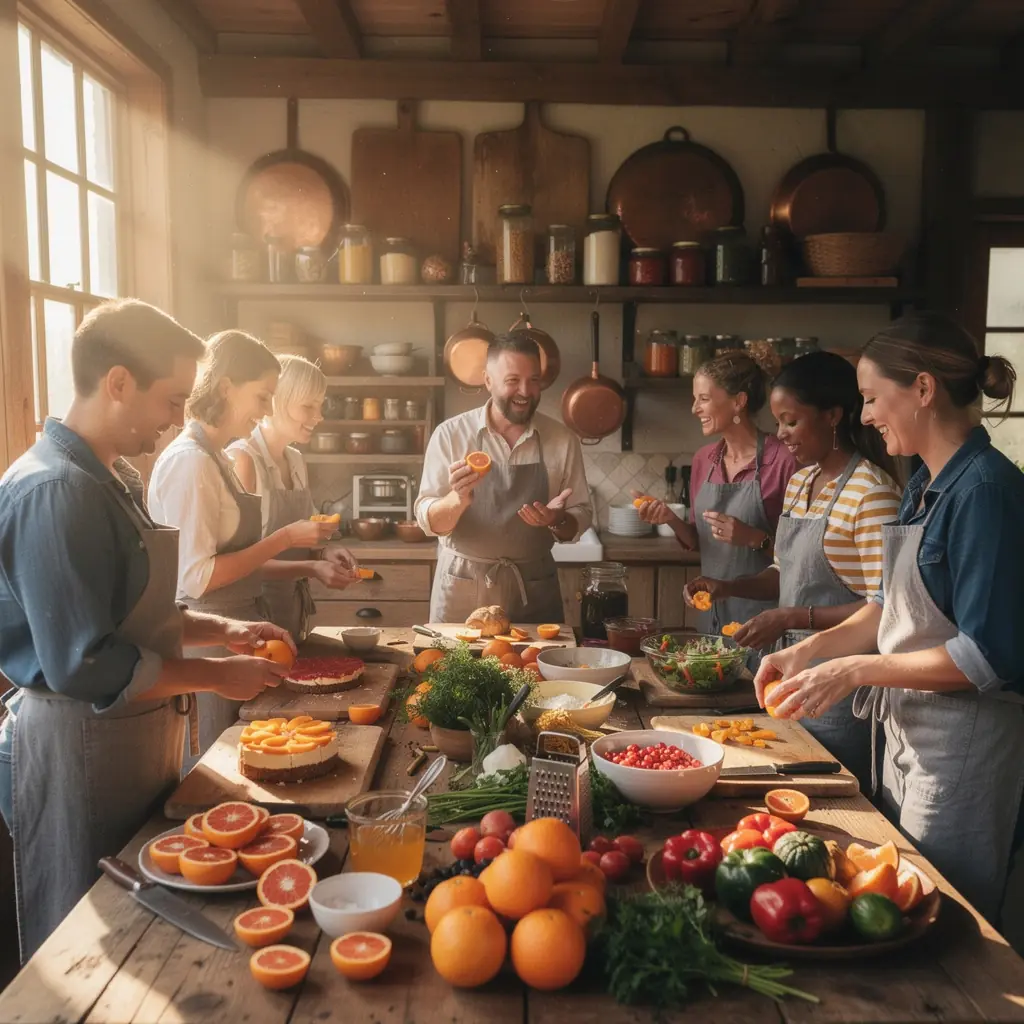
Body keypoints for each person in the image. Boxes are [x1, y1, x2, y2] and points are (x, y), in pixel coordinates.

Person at [0, 300, 292, 960]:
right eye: (171, 399)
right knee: (86, 940)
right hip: (78, 745)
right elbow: (88, 662)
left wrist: (225, 631)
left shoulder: (113, 476)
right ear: (119, 383)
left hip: (127, 739)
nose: (175, 418)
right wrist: (220, 675)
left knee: (145, 927)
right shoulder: (56, 489)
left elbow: (136, 613)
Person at [754, 313, 1024, 924]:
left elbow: (987, 656)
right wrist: (810, 650)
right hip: (909, 738)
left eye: (872, 398)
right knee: (899, 912)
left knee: (950, 931)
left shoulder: (985, 492)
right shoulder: (926, 483)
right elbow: (886, 608)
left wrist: (853, 671)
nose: (867, 415)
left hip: (964, 750)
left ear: (923, 390)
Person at [691, 351, 902, 790]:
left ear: (832, 416)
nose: (781, 435)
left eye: (791, 422)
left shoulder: (873, 494)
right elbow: (782, 571)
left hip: (840, 690)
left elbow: (885, 609)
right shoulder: (802, 481)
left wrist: (791, 617)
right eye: (778, 422)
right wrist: (728, 586)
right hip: (788, 680)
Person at [148, 331, 336, 767]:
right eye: (262, 397)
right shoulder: (190, 461)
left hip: (239, 630)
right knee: (219, 766)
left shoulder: (217, 459)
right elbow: (196, 578)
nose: (267, 411)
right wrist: (286, 538)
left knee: (253, 760)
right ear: (227, 387)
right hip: (209, 643)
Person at [415, 333, 592, 623]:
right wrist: (457, 499)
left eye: (534, 380)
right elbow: (429, 521)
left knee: (531, 668)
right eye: (512, 381)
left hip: (533, 588)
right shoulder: (450, 435)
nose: (525, 391)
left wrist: (556, 519)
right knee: (453, 668)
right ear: (488, 381)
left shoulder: (562, 440)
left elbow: (581, 514)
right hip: (463, 587)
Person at [637, 351, 798, 634]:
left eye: (704, 399)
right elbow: (700, 541)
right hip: (711, 615)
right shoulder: (704, 460)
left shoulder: (783, 460)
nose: (694, 409)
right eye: (695, 399)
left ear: (739, 402)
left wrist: (754, 539)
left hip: (765, 621)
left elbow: (801, 557)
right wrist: (669, 518)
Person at [228, 355, 358, 642]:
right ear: (275, 400)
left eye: (320, 405)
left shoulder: (296, 461)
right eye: (308, 406)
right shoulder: (243, 460)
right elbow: (238, 566)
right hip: (254, 617)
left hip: (292, 607)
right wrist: (312, 567)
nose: (319, 416)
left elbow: (297, 543)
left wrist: (323, 553)